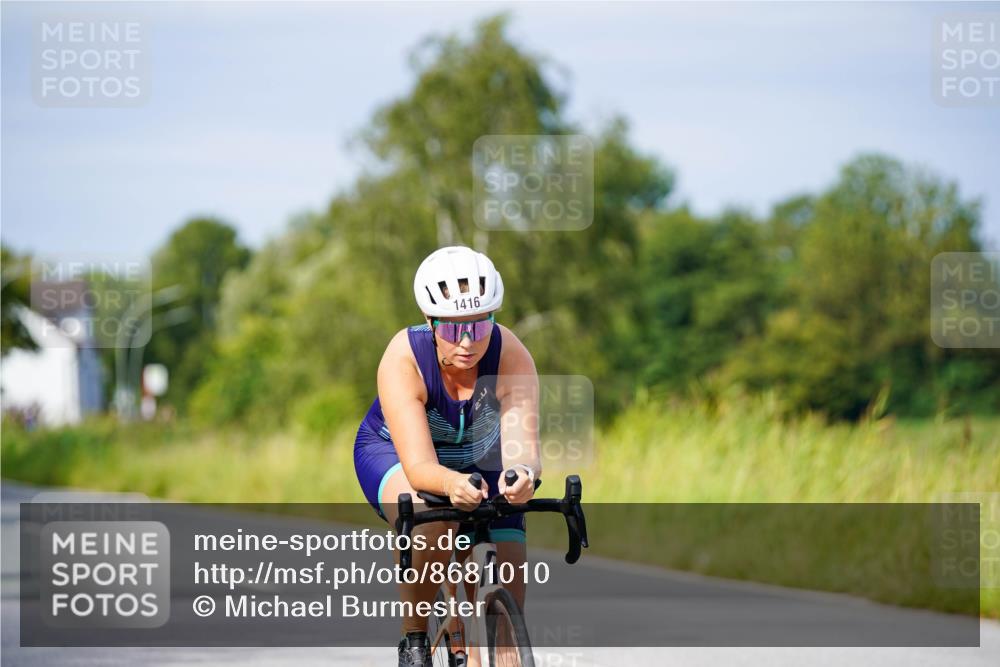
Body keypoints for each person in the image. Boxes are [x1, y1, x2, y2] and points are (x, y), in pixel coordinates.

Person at [354, 245, 542, 667]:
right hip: (396, 453)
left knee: (506, 579)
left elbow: (522, 447)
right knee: (434, 519)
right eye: (452, 329)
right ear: (429, 322)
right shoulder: (404, 358)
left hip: (478, 455)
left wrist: (524, 475)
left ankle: (483, 648)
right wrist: (453, 484)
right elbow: (420, 468)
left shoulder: (509, 353)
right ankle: (415, 639)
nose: (466, 343)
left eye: (479, 328)